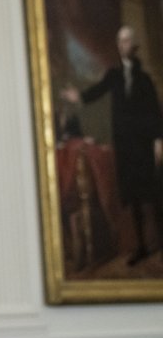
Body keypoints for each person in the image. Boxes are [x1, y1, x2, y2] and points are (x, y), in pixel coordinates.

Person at [63, 26, 163, 264]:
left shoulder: (145, 79)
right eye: (119, 41)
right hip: (126, 145)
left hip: (144, 144)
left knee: (154, 194)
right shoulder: (114, 75)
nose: (122, 45)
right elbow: (96, 92)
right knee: (133, 196)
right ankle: (141, 247)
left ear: (134, 45)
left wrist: (159, 141)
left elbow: (154, 113)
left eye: (126, 40)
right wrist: (79, 97)